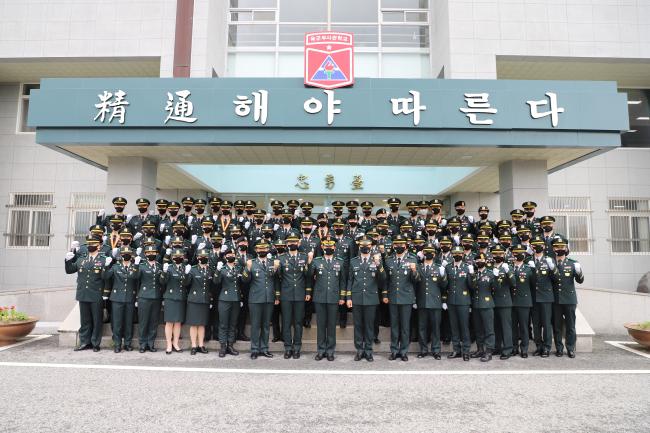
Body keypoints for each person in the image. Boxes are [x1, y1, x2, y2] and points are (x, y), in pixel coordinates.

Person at [65, 235, 110, 352]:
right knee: (85, 321)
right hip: (83, 293)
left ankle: (95, 343)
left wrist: (106, 267)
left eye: (93, 244)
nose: (90, 246)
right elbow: (70, 270)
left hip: (96, 294)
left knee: (96, 320)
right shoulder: (81, 259)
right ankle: (85, 342)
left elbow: (106, 277)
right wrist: (67, 260)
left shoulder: (103, 259)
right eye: (89, 244)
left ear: (99, 246)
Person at [347, 237, 386, 362]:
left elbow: (383, 279)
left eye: (368, 246)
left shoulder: (377, 261)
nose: (365, 247)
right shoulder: (354, 261)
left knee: (369, 326)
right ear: (359, 247)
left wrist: (378, 263)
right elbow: (350, 280)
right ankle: (359, 350)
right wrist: (348, 297)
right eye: (363, 245)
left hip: (371, 298)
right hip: (357, 297)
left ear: (371, 247)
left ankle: (368, 350)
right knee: (358, 325)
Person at [308, 237, 346, 361]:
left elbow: (342, 281)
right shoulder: (316, 261)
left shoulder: (340, 261)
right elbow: (308, 276)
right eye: (326, 246)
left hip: (334, 297)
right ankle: (320, 350)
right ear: (322, 247)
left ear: (334, 248)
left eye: (330, 246)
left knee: (331, 325)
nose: (328, 248)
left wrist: (342, 297)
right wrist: (309, 261)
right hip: (319, 297)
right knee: (320, 325)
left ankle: (330, 350)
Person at [384, 234, 420, 361]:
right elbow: (386, 280)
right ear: (393, 246)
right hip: (393, 297)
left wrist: (414, 271)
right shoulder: (388, 260)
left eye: (401, 244)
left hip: (406, 297)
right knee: (394, 326)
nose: (399, 246)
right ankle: (394, 350)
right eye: (396, 244)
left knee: (405, 326)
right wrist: (385, 295)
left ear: (406, 246)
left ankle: (404, 351)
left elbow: (416, 280)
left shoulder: (413, 259)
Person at [277, 233, 312, 359]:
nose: (292, 244)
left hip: (299, 294)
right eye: (290, 242)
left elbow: (308, 277)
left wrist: (308, 292)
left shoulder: (303, 257)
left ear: (298, 243)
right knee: (286, 323)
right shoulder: (281, 258)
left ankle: (297, 347)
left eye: (294, 242)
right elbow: (277, 279)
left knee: (298, 322)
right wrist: (277, 294)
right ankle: (287, 347)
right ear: (286, 244)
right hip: (286, 294)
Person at [242, 240, 278, 359]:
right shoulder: (252, 263)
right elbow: (245, 280)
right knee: (256, 325)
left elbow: (276, 280)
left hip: (268, 298)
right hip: (255, 299)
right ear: (256, 250)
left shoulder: (273, 263)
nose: (262, 250)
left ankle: (264, 348)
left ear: (267, 250)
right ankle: (255, 349)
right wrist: (247, 269)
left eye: (264, 249)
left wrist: (276, 296)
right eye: (260, 249)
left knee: (266, 325)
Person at [552, 236, 584, 358]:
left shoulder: (572, 263)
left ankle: (570, 348)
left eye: (562, 247)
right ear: (553, 248)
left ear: (566, 248)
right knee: (557, 326)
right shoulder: (550, 263)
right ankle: (559, 348)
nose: (559, 249)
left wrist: (579, 272)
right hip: (556, 300)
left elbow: (580, 281)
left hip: (569, 300)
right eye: (557, 247)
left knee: (570, 326)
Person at [104, 246, 140, 353]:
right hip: (117, 298)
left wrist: (137, 266)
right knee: (117, 323)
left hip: (129, 298)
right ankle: (117, 344)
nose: (126, 255)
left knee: (128, 322)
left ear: (131, 255)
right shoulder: (115, 267)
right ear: (121, 255)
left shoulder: (134, 267)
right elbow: (105, 276)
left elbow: (136, 278)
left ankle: (128, 344)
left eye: (128, 253)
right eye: (124, 254)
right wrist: (106, 265)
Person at [416, 243, 447, 359]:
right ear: (423, 254)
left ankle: (436, 350)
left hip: (435, 302)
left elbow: (444, 285)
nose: (428, 254)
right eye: (426, 252)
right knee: (422, 328)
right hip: (422, 301)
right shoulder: (418, 267)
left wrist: (443, 275)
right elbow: (414, 284)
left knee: (435, 328)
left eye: (430, 252)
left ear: (434, 254)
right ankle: (423, 350)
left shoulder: (439, 268)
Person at [530, 235, 559, 358]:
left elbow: (556, 279)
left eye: (540, 245)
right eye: (535, 245)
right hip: (533, 297)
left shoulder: (549, 260)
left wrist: (552, 269)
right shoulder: (528, 260)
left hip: (546, 297)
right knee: (536, 324)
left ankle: (547, 347)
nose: (537, 247)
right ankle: (539, 346)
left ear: (543, 246)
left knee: (546, 324)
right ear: (531, 247)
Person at [445, 245, 476, 361]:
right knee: (454, 327)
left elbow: (472, 287)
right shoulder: (448, 267)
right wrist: (442, 275)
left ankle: (466, 350)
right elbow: (445, 285)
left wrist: (472, 274)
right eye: (454, 254)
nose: (457, 255)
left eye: (459, 254)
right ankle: (456, 349)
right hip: (451, 301)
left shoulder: (467, 267)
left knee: (464, 326)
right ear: (452, 255)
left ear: (463, 255)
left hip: (463, 301)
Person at [213, 248, 243, 357]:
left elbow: (242, 282)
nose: (231, 256)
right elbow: (216, 281)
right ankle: (223, 346)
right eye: (229, 254)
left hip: (236, 299)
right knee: (223, 324)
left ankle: (230, 345)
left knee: (233, 323)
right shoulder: (223, 268)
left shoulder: (238, 268)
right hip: (224, 299)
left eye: (233, 254)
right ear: (225, 257)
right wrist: (217, 270)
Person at [160, 248, 190, 354]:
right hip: (170, 297)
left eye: (180, 256)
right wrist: (164, 272)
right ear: (172, 258)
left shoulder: (184, 268)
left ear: (183, 257)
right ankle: (169, 344)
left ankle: (175, 343)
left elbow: (187, 284)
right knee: (169, 322)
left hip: (181, 297)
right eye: (176, 256)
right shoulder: (169, 267)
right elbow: (162, 281)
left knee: (177, 323)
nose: (178, 258)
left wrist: (186, 274)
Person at [185, 248, 212, 355]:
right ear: (197, 258)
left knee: (202, 324)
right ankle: (193, 346)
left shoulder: (210, 269)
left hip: (204, 300)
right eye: (201, 256)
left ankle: (201, 345)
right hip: (194, 300)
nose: (203, 258)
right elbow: (186, 284)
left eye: (205, 256)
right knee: (193, 324)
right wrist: (186, 274)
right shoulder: (193, 269)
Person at [510, 244, 535, 358]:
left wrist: (534, 271)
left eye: (521, 253)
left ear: (524, 255)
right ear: (513, 254)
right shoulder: (509, 267)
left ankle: (524, 348)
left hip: (524, 301)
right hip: (511, 301)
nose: (518, 254)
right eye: (516, 252)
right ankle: (514, 347)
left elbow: (534, 284)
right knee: (513, 326)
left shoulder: (528, 268)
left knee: (524, 327)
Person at [137, 245, 163, 353]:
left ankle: (151, 343)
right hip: (144, 296)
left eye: (153, 253)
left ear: (156, 254)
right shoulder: (141, 266)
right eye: (148, 253)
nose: (151, 254)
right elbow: (136, 279)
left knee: (153, 322)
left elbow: (162, 282)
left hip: (156, 297)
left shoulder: (159, 266)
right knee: (143, 322)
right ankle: (142, 343)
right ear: (146, 254)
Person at [470, 253, 496, 362]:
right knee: (478, 329)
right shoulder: (474, 274)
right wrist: (471, 275)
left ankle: (489, 351)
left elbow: (496, 289)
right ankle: (480, 349)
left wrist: (496, 277)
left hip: (486, 304)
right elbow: (471, 287)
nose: (479, 262)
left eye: (482, 260)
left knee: (489, 329)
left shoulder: (490, 273)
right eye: (477, 261)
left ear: (485, 261)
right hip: (476, 304)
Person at [491, 245, 514, 359]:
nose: (498, 256)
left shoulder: (507, 267)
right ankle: (497, 347)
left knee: (506, 327)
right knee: (496, 327)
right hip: (492, 301)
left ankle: (508, 349)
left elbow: (513, 283)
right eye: (495, 254)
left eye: (500, 254)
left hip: (504, 301)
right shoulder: (489, 267)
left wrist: (508, 271)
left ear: (504, 255)